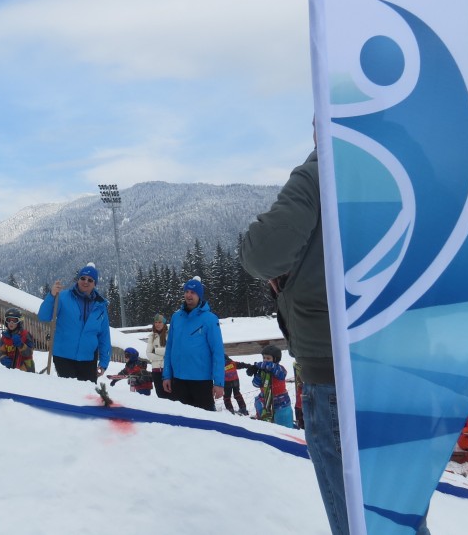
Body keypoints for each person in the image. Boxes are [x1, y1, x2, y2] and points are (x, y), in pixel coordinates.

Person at [240, 146, 431, 535]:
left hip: (334, 373)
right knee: (399, 516)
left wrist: (288, 275)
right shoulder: (410, 165)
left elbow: (262, 255)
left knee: (358, 521)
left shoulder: (324, 167)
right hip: (405, 366)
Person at [37, 264, 111, 382]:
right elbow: (43, 316)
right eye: (83, 278)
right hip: (63, 356)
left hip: (88, 358)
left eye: (90, 280)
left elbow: (104, 336)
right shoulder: (63, 297)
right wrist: (51, 295)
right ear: (78, 279)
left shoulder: (100, 306)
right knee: (70, 392)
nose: (85, 282)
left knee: (88, 393)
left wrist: (104, 362)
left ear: (94, 284)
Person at [162, 276, 225, 410]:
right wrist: (167, 375)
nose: (189, 295)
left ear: (199, 295)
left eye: (193, 292)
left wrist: (219, 382)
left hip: (201, 382)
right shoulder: (176, 318)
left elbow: (217, 351)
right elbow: (169, 348)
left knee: (205, 425)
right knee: (181, 424)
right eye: (186, 292)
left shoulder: (210, 319)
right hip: (178, 380)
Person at [245, 346, 294, 428]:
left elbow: (278, 372)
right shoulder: (262, 370)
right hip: (266, 403)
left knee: (285, 427)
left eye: (268, 358)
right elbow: (256, 384)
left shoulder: (279, 369)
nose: (265, 360)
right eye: (264, 358)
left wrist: (258, 365)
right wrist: (257, 373)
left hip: (281, 404)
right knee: (268, 427)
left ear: (275, 359)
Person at [147, 313, 172, 399]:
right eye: (156, 322)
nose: (157, 324)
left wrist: (156, 350)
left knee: (171, 395)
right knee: (160, 396)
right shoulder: (151, 336)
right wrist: (164, 356)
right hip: (156, 371)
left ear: (164, 323)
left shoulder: (170, 335)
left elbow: (171, 351)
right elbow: (148, 354)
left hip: (168, 370)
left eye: (160, 322)